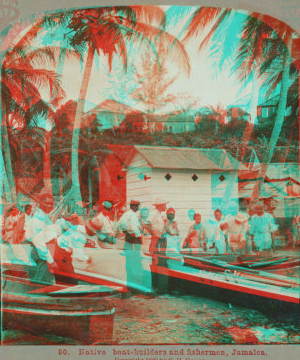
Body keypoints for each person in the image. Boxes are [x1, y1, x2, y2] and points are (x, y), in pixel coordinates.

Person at [117, 199, 145, 292]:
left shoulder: (134, 215)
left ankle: (134, 286)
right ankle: (131, 287)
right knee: (132, 264)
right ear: (133, 206)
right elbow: (120, 224)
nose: (138, 207)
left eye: (138, 205)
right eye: (137, 206)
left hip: (135, 240)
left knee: (135, 263)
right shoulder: (128, 214)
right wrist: (128, 231)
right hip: (132, 241)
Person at [143, 197, 169, 294]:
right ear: (161, 206)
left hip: (161, 240)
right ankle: (157, 288)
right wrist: (155, 234)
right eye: (164, 205)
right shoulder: (154, 214)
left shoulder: (159, 215)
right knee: (158, 262)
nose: (166, 207)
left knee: (162, 262)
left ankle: (160, 287)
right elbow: (146, 225)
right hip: (156, 241)